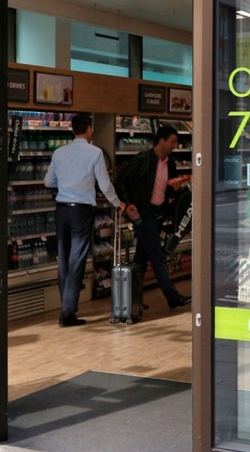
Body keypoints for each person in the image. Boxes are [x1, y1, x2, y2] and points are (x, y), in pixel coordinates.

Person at [44, 112, 124, 327]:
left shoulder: (59, 152)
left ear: (72, 130)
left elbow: (48, 181)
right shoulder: (95, 153)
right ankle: (67, 313)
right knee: (77, 259)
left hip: (62, 210)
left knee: (64, 259)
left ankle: (66, 307)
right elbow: (104, 185)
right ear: (89, 129)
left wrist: (66, 184)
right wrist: (118, 203)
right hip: (81, 211)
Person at [115, 125, 192, 310]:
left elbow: (169, 191)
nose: (175, 145)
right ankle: (173, 297)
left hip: (158, 214)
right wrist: (127, 204)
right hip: (143, 214)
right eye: (172, 141)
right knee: (157, 257)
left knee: (141, 257)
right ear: (162, 140)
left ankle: (132, 300)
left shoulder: (170, 164)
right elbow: (120, 180)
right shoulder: (143, 159)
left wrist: (176, 187)